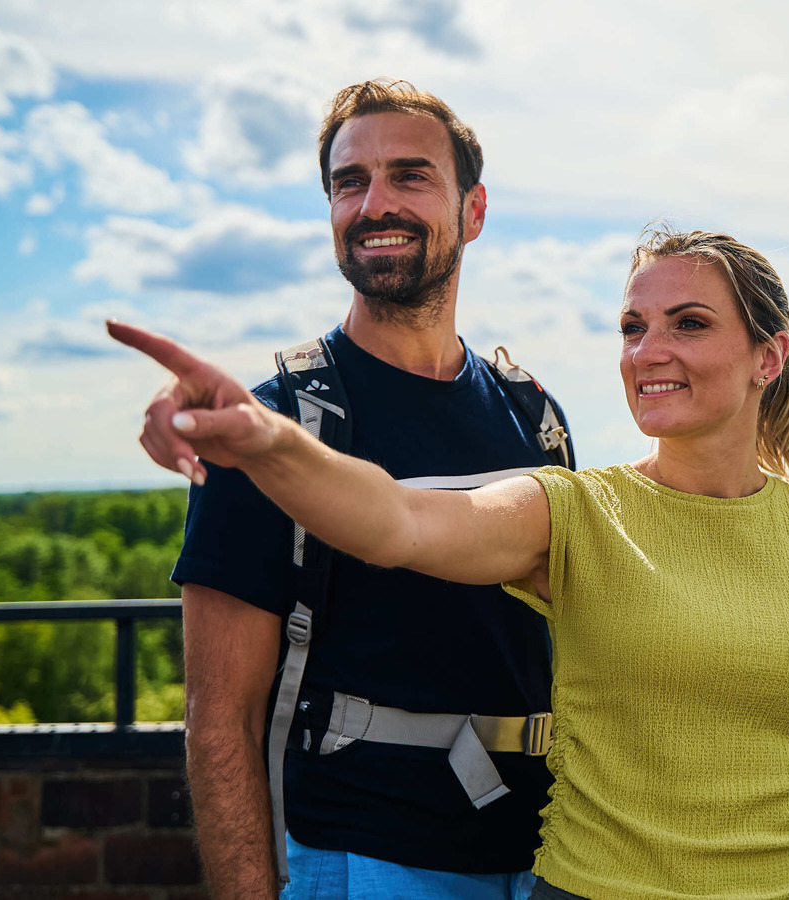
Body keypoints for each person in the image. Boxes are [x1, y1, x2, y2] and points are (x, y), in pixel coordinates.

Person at [112, 228, 789, 899]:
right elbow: (396, 522)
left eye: (689, 324)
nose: (649, 351)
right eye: (633, 327)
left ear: (767, 359)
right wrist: (266, 437)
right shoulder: (575, 512)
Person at [158, 79, 564, 899]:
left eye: (410, 176)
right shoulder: (276, 428)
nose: (375, 203)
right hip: (364, 857)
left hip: (553, 855)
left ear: (473, 211)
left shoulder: (534, 416)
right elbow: (221, 717)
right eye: (351, 182)